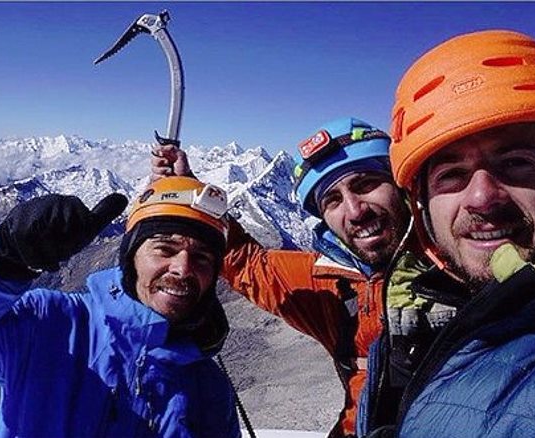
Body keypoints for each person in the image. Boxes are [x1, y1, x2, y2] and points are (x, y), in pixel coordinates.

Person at [0, 177, 241, 437]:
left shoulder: (209, 387)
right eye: (164, 248)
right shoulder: (49, 325)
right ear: (130, 257)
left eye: (203, 258)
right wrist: (1, 259)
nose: (183, 269)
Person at [356, 29, 535, 438]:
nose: (482, 197)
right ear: (423, 209)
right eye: (452, 175)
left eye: (516, 162)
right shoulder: (412, 320)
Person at [151, 117, 411, 437]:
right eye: (332, 200)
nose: (356, 211)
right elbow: (248, 264)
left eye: (366, 184)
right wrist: (191, 194)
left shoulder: (463, 267)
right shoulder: (334, 284)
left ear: (402, 183)